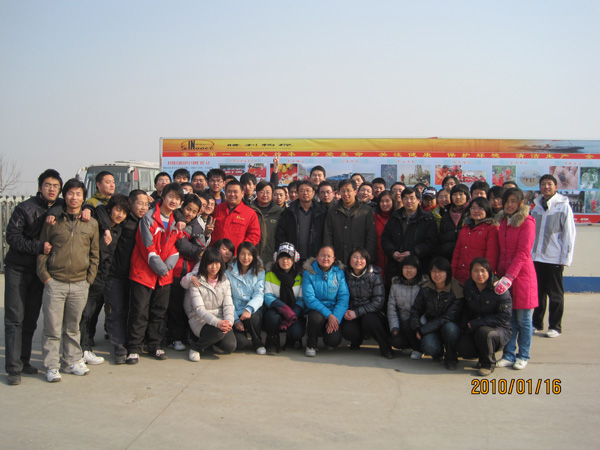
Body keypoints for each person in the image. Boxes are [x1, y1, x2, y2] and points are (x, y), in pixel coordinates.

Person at [4, 169, 64, 385]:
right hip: (18, 269)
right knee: (15, 319)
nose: (52, 189)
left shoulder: (60, 206)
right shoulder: (24, 208)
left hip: (40, 272)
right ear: (40, 187)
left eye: (56, 186)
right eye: (48, 185)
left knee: (30, 319)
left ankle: (24, 361)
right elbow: (12, 237)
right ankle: (13, 369)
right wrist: (38, 246)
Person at [36, 178, 100, 382]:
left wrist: (89, 279)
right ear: (65, 196)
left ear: (83, 197)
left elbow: (95, 254)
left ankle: (71, 361)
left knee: (73, 327)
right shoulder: (53, 221)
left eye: (78, 194)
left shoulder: (91, 223)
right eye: (70, 193)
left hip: (80, 283)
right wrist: (45, 277)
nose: (74, 197)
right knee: (52, 328)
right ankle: (51, 366)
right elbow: (43, 249)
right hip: (55, 282)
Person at [126, 183, 185, 364]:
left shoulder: (176, 222)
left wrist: (166, 268)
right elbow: (147, 246)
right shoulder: (148, 217)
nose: (173, 201)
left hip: (164, 277)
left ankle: (155, 345)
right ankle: (134, 348)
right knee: (139, 312)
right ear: (163, 196)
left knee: (159, 312)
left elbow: (175, 248)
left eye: (177, 198)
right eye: (171, 196)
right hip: (143, 273)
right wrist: (160, 267)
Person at [79, 193, 130, 366]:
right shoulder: (99, 222)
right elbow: (99, 208)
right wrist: (106, 228)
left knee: (103, 311)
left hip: (106, 275)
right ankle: (83, 348)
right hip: (90, 274)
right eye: (117, 210)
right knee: (87, 313)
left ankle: (91, 345)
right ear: (110, 209)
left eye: (124, 212)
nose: (120, 215)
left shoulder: (120, 228)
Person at [104, 190, 150, 364]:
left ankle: (132, 342)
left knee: (135, 310)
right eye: (140, 203)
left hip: (138, 275)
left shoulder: (146, 221)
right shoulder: (123, 221)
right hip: (117, 273)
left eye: (146, 204)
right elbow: (101, 211)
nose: (143, 207)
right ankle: (119, 348)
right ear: (131, 203)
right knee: (116, 311)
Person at [494, 188, 538, 370]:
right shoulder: (503, 222)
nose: (509, 205)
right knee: (509, 319)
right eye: (506, 201)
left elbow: (523, 253)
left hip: (522, 277)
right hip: (505, 277)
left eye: (513, 201)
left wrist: (510, 277)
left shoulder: (527, 223)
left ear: (520, 203)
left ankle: (523, 355)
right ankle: (509, 354)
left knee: (524, 320)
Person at [531, 174, 576, 338]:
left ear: (556, 187)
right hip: (536, 258)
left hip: (554, 258)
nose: (546, 187)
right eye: (543, 184)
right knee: (538, 293)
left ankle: (555, 326)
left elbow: (569, 234)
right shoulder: (536, 206)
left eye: (549, 184)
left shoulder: (563, 206)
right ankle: (536, 324)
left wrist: (565, 258)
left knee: (555, 294)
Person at [457, 258, 512, 376]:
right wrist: (462, 327)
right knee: (463, 347)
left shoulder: (498, 288)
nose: (479, 274)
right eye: (476, 271)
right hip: (475, 325)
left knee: (483, 332)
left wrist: (478, 322)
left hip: (499, 329)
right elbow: (466, 308)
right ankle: (482, 354)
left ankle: (488, 364)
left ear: (489, 272)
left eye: (483, 271)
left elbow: (504, 315)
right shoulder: (469, 286)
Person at [182, 247, 236, 361]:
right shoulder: (197, 281)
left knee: (231, 345)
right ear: (204, 264)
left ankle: (210, 343)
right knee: (219, 332)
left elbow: (228, 305)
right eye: (210, 263)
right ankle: (196, 347)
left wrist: (228, 322)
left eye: (217, 263)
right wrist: (217, 323)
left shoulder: (225, 281)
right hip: (200, 320)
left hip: (220, 319)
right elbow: (199, 309)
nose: (214, 267)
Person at [167, 194, 206, 352]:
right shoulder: (172, 218)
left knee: (184, 306)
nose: (190, 213)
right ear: (182, 206)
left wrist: (181, 242)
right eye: (188, 209)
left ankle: (181, 336)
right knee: (172, 306)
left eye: (194, 211)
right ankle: (173, 337)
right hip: (169, 270)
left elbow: (200, 250)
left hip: (187, 272)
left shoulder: (197, 228)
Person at [409, 257, 463, 370]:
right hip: (431, 325)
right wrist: (417, 327)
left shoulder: (457, 289)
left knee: (450, 328)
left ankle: (451, 358)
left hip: (450, 326)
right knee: (429, 346)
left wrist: (423, 330)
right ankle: (438, 353)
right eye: (434, 271)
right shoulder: (426, 287)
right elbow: (416, 309)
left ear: (447, 272)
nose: (437, 275)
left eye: (440, 272)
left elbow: (449, 317)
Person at [342, 248, 392, 358]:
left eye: (362, 258)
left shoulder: (374, 276)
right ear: (349, 260)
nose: (358, 261)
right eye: (355, 257)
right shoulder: (344, 275)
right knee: (348, 330)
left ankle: (385, 346)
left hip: (371, 313)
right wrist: (346, 311)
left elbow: (378, 302)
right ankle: (357, 339)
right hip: (352, 311)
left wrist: (357, 313)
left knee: (370, 321)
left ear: (367, 260)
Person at [381, 187, 437, 283]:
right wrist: (392, 252)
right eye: (405, 198)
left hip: (418, 265)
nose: (408, 201)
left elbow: (430, 243)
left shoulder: (427, 219)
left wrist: (412, 253)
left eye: (412, 198)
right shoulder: (395, 216)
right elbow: (385, 238)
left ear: (418, 200)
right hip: (395, 265)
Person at [302, 245, 349, 356]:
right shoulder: (309, 272)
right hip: (315, 311)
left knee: (333, 340)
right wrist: (329, 315)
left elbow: (343, 297)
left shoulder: (339, 273)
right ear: (317, 257)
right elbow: (310, 299)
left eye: (329, 256)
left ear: (334, 259)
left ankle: (327, 335)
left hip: (333, 312)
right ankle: (311, 344)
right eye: (322, 255)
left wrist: (335, 317)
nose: (325, 258)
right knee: (315, 317)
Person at [264, 242, 305, 354]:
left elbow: (301, 300)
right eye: (282, 257)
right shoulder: (269, 274)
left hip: (294, 311)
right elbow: (268, 297)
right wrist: (284, 309)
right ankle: (272, 341)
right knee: (271, 317)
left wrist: (292, 314)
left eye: (288, 258)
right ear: (276, 258)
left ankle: (292, 341)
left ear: (295, 259)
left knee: (297, 331)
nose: (285, 261)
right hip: (276, 309)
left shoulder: (301, 276)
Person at [323, 179, 377, 264]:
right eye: (342, 191)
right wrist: (329, 255)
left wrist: (368, 257)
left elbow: (371, 237)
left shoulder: (365, 210)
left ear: (355, 192)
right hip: (338, 256)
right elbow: (328, 235)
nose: (345, 194)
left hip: (359, 258)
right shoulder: (332, 210)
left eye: (348, 191)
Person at [226, 242, 266, 354]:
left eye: (249, 254)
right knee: (240, 343)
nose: (246, 257)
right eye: (243, 253)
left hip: (252, 310)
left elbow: (259, 294)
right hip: (235, 310)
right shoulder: (228, 272)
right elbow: (227, 298)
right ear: (238, 254)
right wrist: (236, 320)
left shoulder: (260, 272)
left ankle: (258, 343)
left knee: (254, 318)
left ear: (254, 256)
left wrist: (249, 309)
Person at [276, 180, 327, 265]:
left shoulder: (322, 212)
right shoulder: (289, 212)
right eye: (302, 190)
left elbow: (326, 235)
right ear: (297, 193)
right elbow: (281, 234)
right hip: (293, 257)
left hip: (315, 257)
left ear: (313, 193)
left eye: (308, 190)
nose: (305, 193)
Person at [451, 197, 499, 285]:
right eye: (473, 208)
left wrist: (487, 277)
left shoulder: (491, 229)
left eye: (480, 208)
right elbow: (457, 253)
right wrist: (453, 274)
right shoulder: (465, 228)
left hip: (479, 278)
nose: (476, 211)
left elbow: (491, 257)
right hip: (461, 276)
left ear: (487, 210)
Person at [387, 255, 423, 359]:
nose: (408, 270)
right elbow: (391, 308)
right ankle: (407, 346)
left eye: (412, 267)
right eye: (405, 267)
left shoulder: (423, 284)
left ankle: (418, 348)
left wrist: (420, 327)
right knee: (396, 341)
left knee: (409, 324)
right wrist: (394, 327)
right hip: (402, 323)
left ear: (417, 269)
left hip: (418, 323)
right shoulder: (395, 285)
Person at [211, 179, 261, 251]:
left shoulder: (250, 213)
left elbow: (254, 236)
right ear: (225, 192)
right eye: (229, 191)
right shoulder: (217, 209)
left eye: (235, 192)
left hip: (236, 254)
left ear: (242, 193)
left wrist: (242, 251)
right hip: (216, 253)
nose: (232, 194)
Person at [251, 181, 284, 264]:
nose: (265, 195)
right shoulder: (249, 210)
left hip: (273, 256)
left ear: (272, 193)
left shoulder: (280, 212)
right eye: (261, 192)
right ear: (256, 193)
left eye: (268, 192)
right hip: (252, 255)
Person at [438, 184, 470, 262]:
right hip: (447, 255)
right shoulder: (446, 213)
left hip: (466, 255)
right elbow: (441, 236)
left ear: (467, 196)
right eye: (454, 194)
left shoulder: (471, 213)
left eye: (461, 194)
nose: (457, 197)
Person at [373, 190, 397, 282]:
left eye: (387, 201)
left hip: (393, 258)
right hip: (377, 258)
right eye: (382, 201)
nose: (384, 204)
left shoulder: (398, 217)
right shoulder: (373, 217)